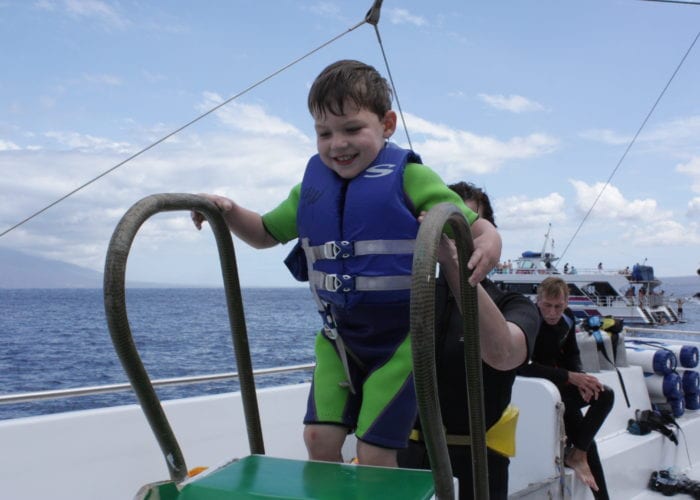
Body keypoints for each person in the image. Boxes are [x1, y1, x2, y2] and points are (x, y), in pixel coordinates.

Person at [191, 60, 502, 467]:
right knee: (318, 438)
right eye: (324, 133)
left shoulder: (412, 178)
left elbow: (477, 229)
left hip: (401, 343)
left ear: (387, 124)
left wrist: (491, 242)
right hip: (338, 340)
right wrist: (228, 210)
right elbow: (264, 233)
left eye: (352, 129)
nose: (337, 143)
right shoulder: (310, 190)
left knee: (373, 451)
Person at [398, 182, 539, 500]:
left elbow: (504, 354)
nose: (455, 237)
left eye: (466, 225)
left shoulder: (514, 304)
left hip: (478, 462)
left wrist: (453, 264)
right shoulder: (412, 297)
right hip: (406, 453)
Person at [518, 277, 614, 499]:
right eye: (547, 306)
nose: (552, 313)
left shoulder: (568, 319)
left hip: (559, 385)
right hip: (537, 391)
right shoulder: (528, 320)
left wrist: (581, 380)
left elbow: (572, 354)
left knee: (604, 394)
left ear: (567, 303)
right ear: (538, 301)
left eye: (558, 307)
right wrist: (569, 377)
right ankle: (579, 454)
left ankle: (577, 454)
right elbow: (523, 366)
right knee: (587, 441)